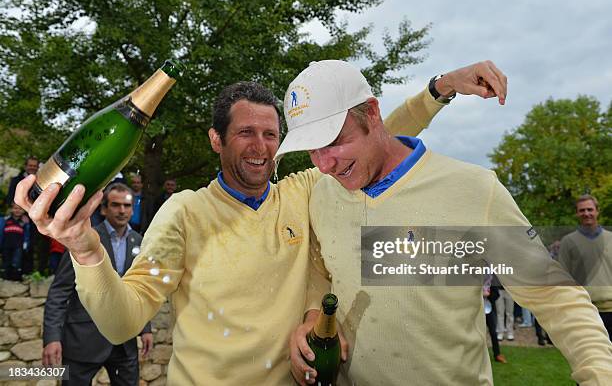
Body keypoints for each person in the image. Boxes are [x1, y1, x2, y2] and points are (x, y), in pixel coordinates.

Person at [15, 61, 507, 385]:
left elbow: (371, 134)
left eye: (271, 134)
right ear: (216, 140)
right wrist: (84, 249)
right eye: (246, 133)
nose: (261, 146)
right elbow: (123, 319)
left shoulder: (302, 191)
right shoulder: (186, 213)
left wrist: (438, 90)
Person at [280, 60, 612, 385]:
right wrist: (313, 316)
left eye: (334, 142)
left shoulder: (472, 189)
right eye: (312, 150)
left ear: (371, 113)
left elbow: (555, 297)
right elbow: (322, 268)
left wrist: (600, 374)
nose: (324, 165)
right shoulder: (322, 194)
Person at [42, 183, 153, 386]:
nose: (122, 210)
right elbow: (59, 292)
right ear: (103, 208)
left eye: (127, 206)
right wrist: (51, 338)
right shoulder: (82, 238)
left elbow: (140, 289)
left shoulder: (140, 242)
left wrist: (145, 328)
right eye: (116, 205)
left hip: (124, 343)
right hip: (82, 341)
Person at [559, 195, 612, 340]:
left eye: (590, 209)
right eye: (582, 210)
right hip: (584, 310)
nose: (586, 213)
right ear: (577, 213)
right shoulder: (568, 242)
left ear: (597, 211)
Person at [0, 202, 31, 280]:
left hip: (18, 246)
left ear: (24, 210)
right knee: (6, 261)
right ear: (11, 209)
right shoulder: (6, 220)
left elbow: (27, 235)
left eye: (20, 209)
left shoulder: (24, 222)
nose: (17, 210)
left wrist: (25, 245)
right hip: (6, 245)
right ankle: (5, 278)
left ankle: (15, 278)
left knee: (16, 262)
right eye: (15, 208)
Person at [483, 275, 506, 363]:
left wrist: (488, 295)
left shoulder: (490, 277)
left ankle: (497, 354)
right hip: (477, 309)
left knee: (493, 332)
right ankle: (479, 355)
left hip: (489, 308)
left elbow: (496, 294)